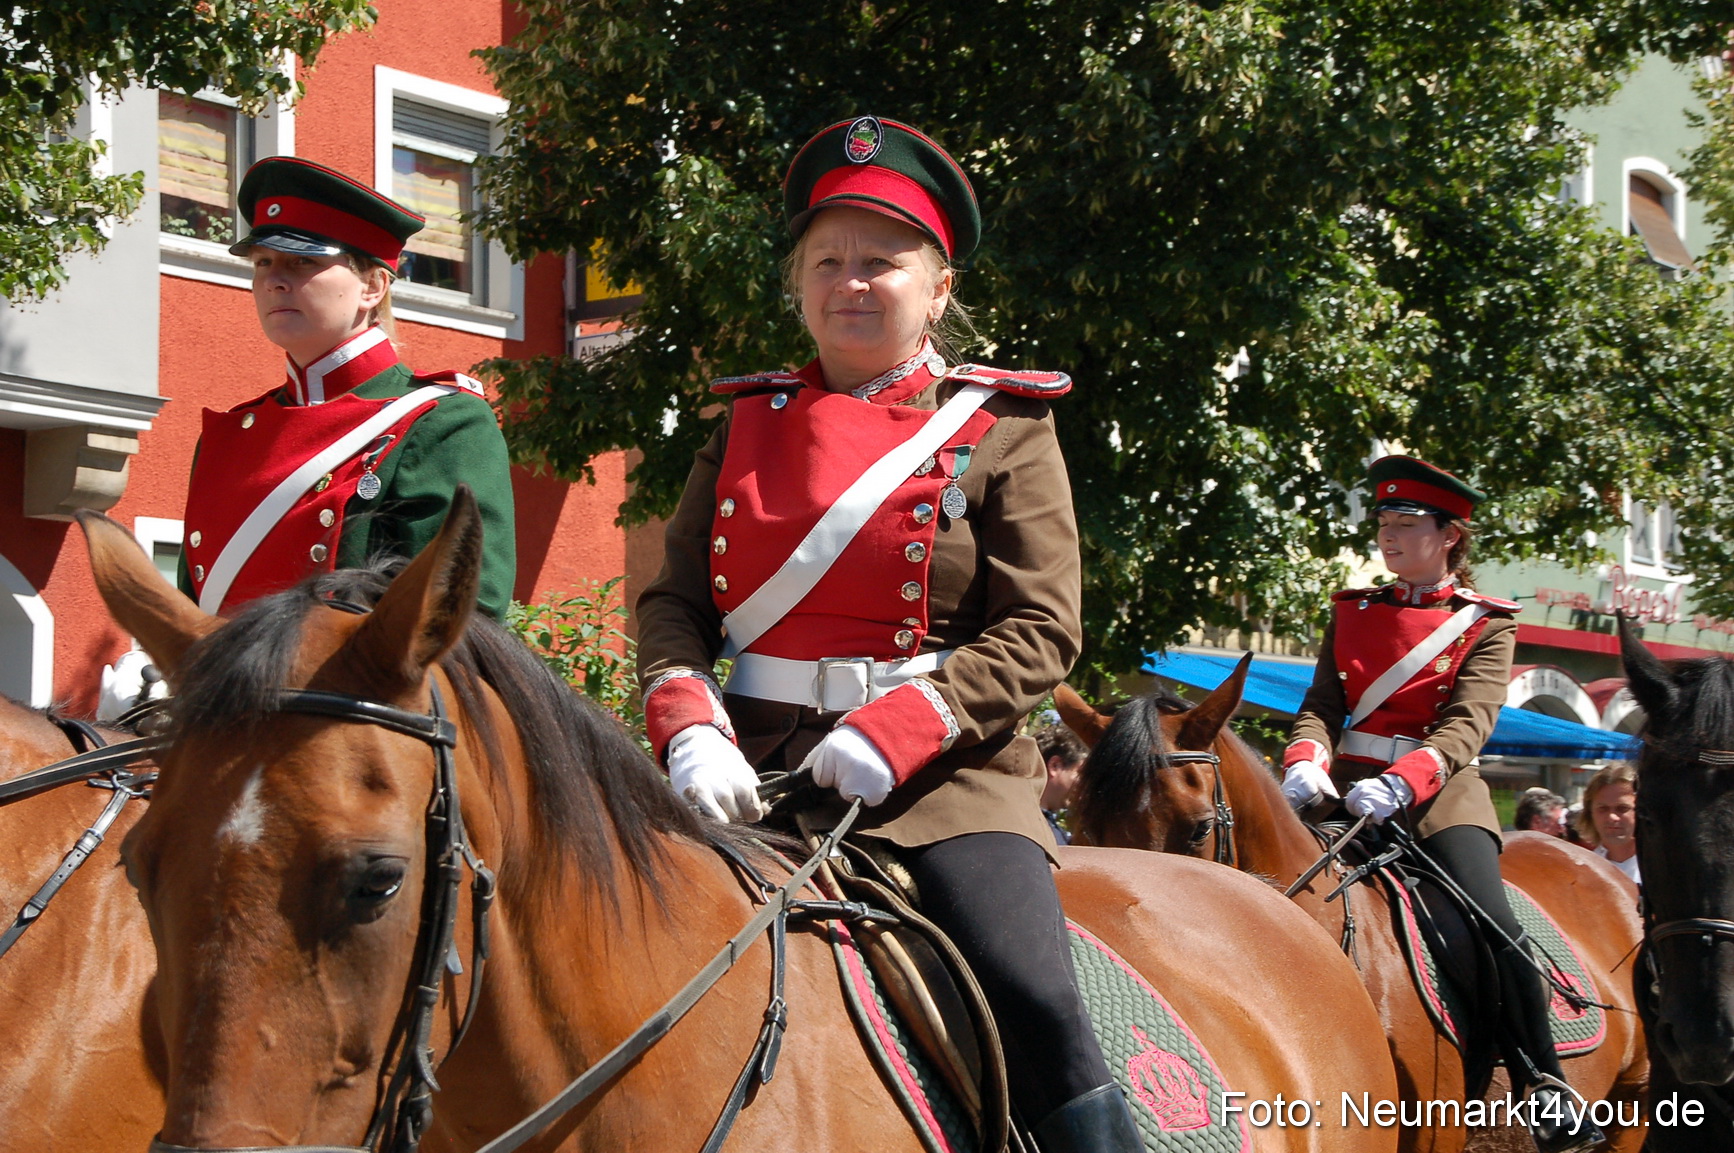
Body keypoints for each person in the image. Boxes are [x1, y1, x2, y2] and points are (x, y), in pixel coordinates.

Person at [634, 117, 1139, 1151]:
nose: (850, 282)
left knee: (1035, 999)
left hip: (944, 783)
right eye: (827, 261)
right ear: (798, 284)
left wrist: (906, 723)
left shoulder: (1003, 426)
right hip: (748, 769)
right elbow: (674, 603)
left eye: (881, 262)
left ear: (939, 288)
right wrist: (689, 723)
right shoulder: (743, 423)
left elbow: (1043, 627)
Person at [1281, 455, 1603, 1153]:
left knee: (1493, 922)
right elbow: (1322, 705)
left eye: (1405, 523)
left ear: (1450, 535)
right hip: (1344, 794)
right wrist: (1305, 758)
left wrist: (1405, 780)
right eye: (1383, 521)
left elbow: (1467, 722)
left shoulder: (1485, 623)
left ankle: (1545, 1083)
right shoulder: (1352, 611)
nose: (1388, 535)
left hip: (1438, 800)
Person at [176, 156, 516, 618]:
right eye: (263, 262)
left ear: (372, 286)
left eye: (303, 261)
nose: (273, 281)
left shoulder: (440, 422)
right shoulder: (227, 439)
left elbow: (459, 616)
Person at [1575, 763, 1640, 885]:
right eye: (1603, 809)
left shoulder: (1663, 867)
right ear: (1590, 812)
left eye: (1622, 808)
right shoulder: (1582, 873)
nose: (1612, 817)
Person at [1034, 722, 1087, 845]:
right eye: (1080, 773)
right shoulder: (1030, 828)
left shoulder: (1052, 830)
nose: (1084, 785)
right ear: (1055, 766)